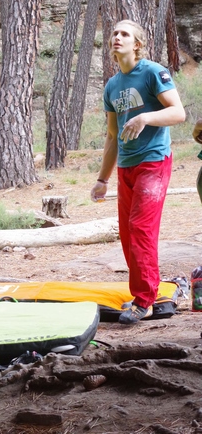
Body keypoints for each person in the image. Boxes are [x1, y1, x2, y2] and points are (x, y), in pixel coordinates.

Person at [91, 19, 185, 325]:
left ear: (137, 44)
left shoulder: (153, 72)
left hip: (154, 161)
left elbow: (178, 112)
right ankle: (143, 291)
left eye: (125, 34)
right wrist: (102, 179)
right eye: (114, 33)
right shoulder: (112, 85)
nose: (117, 37)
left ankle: (144, 301)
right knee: (129, 233)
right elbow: (111, 135)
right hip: (126, 166)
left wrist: (145, 117)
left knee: (141, 228)